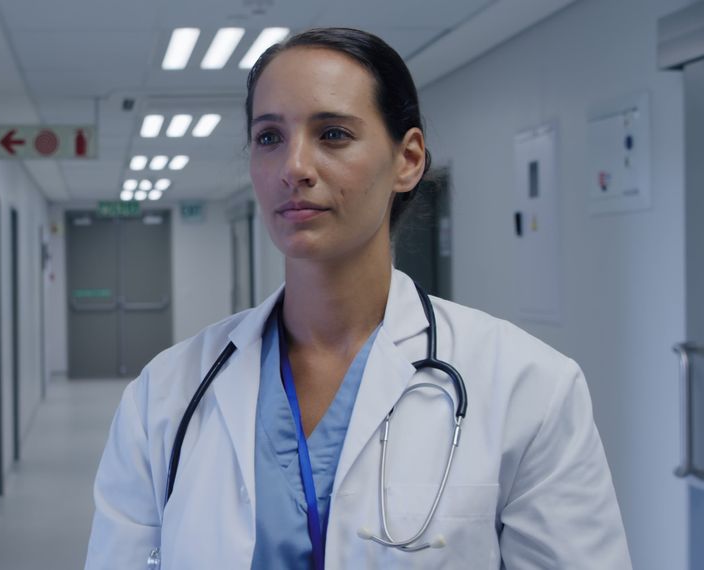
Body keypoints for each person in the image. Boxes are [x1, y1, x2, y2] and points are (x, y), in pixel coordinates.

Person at [85, 28, 631, 569]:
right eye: (269, 137)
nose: (294, 167)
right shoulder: (165, 396)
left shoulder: (527, 388)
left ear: (408, 160)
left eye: (334, 134)